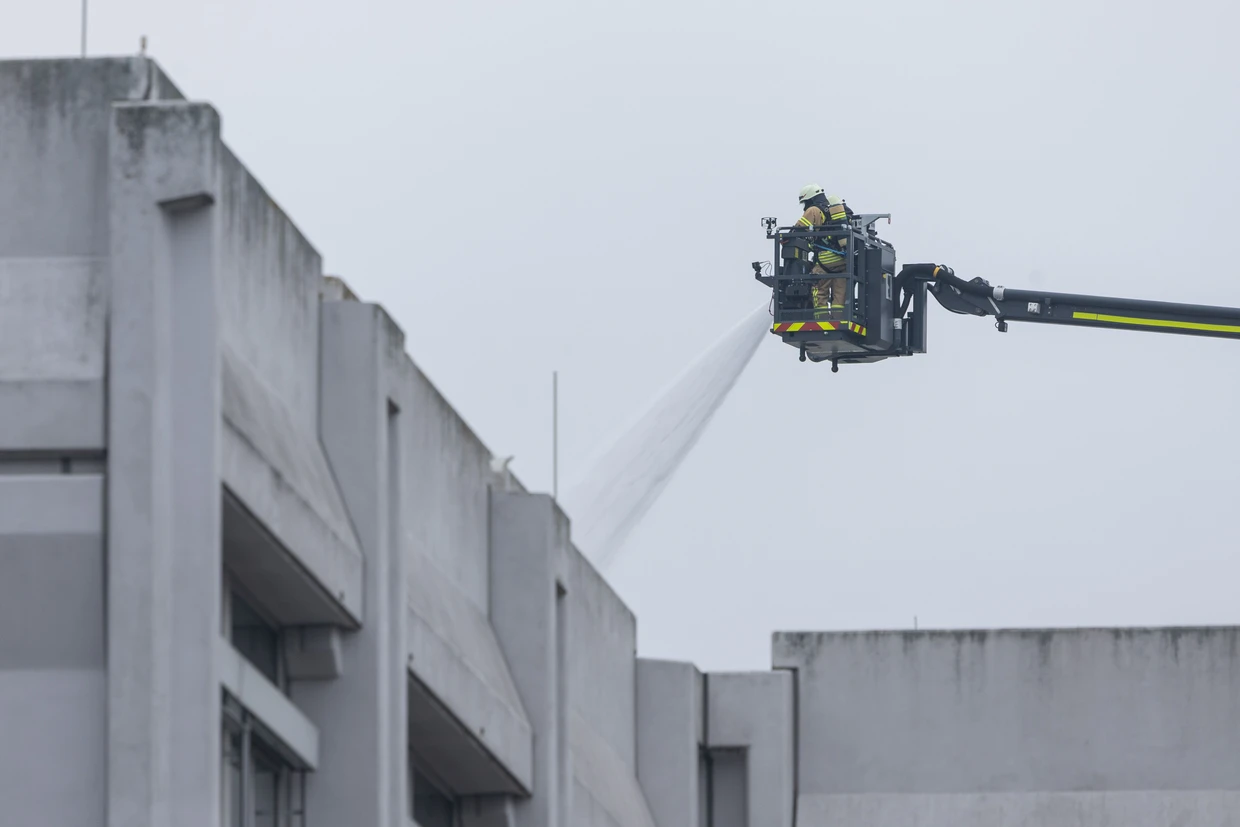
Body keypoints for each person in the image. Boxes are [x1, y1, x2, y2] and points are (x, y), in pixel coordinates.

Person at [793, 185, 852, 321]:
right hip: (843, 260)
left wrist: (787, 237)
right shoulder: (833, 210)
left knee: (819, 290)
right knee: (840, 295)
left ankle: (822, 320)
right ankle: (837, 320)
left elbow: (799, 229)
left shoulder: (814, 210)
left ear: (810, 198)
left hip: (825, 260)